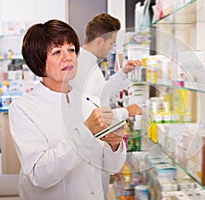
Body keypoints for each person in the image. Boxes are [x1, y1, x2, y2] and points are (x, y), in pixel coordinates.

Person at [8, 19, 126, 200]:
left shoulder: (90, 102)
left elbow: (110, 166)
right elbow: (40, 175)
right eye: (57, 52)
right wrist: (87, 131)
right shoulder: (23, 109)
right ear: (38, 62)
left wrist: (115, 143)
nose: (68, 57)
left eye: (71, 50)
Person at [70, 13, 142, 198]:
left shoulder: (87, 63)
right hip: (87, 146)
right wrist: (127, 111)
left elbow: (102, 92)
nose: (111, 49)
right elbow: (97, 112)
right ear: (100, 41)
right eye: (111, 43)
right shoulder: (83, 67)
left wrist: (123, 72)